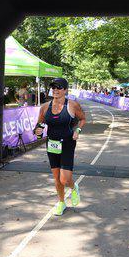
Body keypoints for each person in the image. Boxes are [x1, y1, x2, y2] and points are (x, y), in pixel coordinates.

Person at [34, 77, 86, 216]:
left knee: (65, 179)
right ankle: (61, 202)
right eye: (53, 87)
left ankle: (73, 187)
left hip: (67, 143)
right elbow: (39, 125)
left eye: (59, 87)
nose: (55, 90)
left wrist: (77, 130)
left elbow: (82, 119)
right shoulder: (45, 107)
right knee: (57, 178)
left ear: (65, 90)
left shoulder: (72, 105)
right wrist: (38, 131)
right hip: (52, 144)